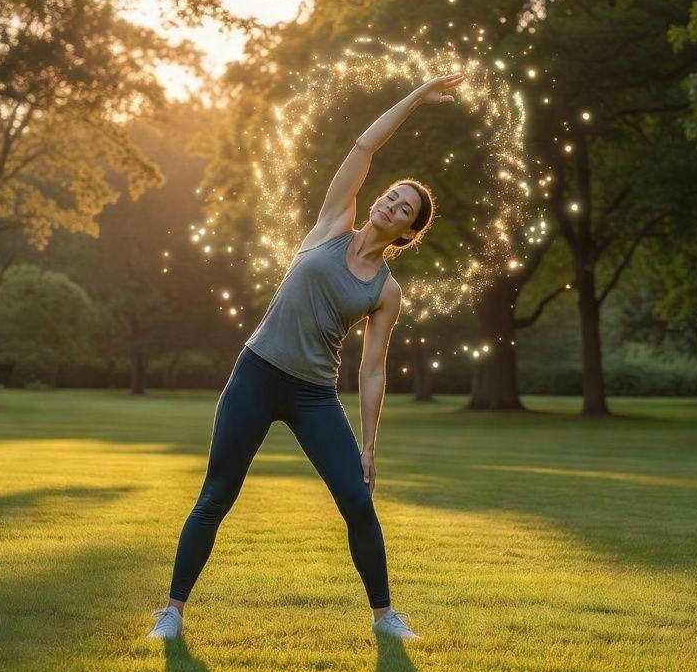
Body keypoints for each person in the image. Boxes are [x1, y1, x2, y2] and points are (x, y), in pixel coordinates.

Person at [147, 72, 464, 642]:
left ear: (409, 231)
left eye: (406, 209)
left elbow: (372, 369)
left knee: (356, 500)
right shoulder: (330, 226)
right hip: (257, 374)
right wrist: (416, 98)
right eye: (393, 195)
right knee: (216, 494)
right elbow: (365, 147)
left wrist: (369, 445)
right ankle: (171, 612)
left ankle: (385, 617)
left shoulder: (385, 291)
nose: (394, 204)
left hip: (314, 395)